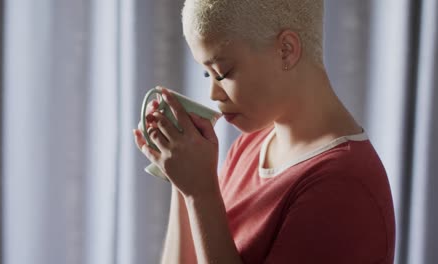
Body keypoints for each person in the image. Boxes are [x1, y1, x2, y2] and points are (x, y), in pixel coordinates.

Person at [133, 0, 396, 263]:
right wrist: (183, 180)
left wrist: (200, 193)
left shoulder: (344, 186)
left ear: (286, 50)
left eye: (223, 72)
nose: (213, 93)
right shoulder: (248, 148)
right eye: (206, 75)